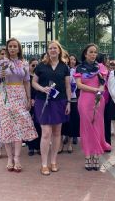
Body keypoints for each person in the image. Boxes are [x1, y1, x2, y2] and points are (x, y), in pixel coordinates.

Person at [0, 38, 38, 173]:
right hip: (7, 96)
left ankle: (17, 158)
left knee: (19, 127)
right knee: (7, 127)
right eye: (10, 46)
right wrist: (0, 77)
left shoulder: (24, 63)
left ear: (19, 49)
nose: (12, 48)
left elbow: (26, 82)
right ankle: (9, 158)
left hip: (20, 95)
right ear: (7, 49)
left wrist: (28, 98)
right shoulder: (2, 63)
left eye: (15, 46)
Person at [32, 40, 71, 176]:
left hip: (60, 102)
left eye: (55, 48)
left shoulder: (64, 67)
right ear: (48, 51)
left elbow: (67, 86)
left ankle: (53, 161)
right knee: (46, 133)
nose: (52, 50)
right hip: (43, 102)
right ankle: (44, 164)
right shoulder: (41, 66)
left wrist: (69, 102)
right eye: (50, 48)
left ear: (59, 50)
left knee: (57, 133)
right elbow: (34, 83)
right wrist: (42, 89)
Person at [74, 43, 111, 171]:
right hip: (85, 100)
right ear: (85, 54)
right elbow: (79, 85)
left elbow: (103, 84)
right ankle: (88, 156)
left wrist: (99, 92)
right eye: (91, 52)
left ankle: (96, 156)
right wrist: (95, 90)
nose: (93, 54)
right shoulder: (79, 68)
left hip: (98, 100)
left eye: (95, 52)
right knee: (86, 128)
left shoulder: (101, 67)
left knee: (97, 127)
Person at [61, 54, 81, 153]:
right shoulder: (63, 69)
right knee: (61, 122)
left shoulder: (75, 71)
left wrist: (70, 87)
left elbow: (75, 84)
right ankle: (60, 144)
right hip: (61, 99)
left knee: (70, 121)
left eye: (74, 59)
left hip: (72, 98)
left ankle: (69, 143)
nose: (72, 61)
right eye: (70, 59)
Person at [26, 57, 42, 156]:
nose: (35, 67)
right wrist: (29, 99)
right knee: (29, 125)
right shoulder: (27, 76)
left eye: (37, 65)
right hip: (28, 103)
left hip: (39, 102)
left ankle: (39, 147)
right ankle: (31, 147)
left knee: (39, 125)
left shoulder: (39, 76)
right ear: (29, 66)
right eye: (33, 65)